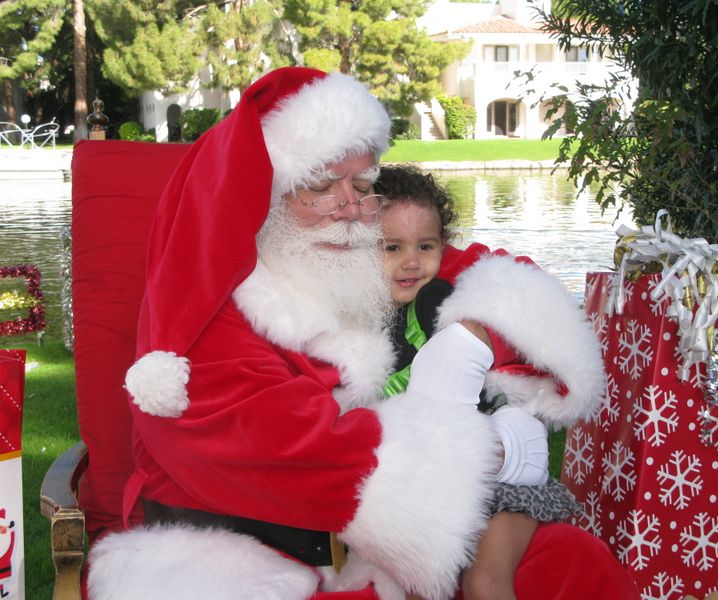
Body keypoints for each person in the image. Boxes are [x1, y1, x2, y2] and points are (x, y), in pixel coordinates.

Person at [86, 66, 638, 600]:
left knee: (573, 563)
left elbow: (500, 281)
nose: (350, 206)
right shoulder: (219, 311)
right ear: (266, 196)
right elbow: (290, 450)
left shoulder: (360, 259)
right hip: (250, 558)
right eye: (322, 185)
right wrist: (490, 447)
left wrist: (474, 336)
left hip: (368, 544)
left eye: (364, 183)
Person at [376, 165, 582, 600]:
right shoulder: (366, 317)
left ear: (443, 244)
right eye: (391, 247)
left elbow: (520, 286)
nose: (411, 261)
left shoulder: (447, 298)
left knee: (485, 582)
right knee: (422, 578)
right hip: (438, 474)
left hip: (507, 467)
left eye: (425, 246)